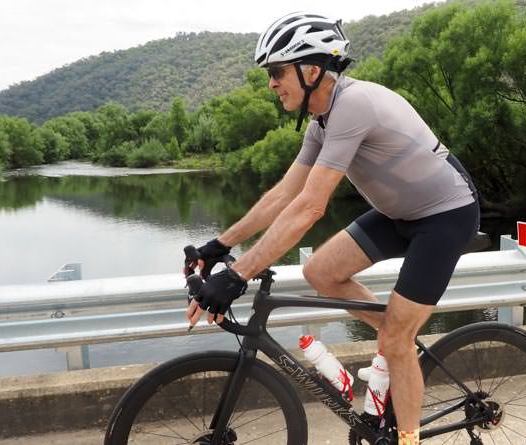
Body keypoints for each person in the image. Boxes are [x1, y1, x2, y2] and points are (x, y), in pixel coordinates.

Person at [186, 12, 480, 445]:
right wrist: (218, 245)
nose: (270, 82)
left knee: (397, 338)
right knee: (320, 272)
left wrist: (236, 275)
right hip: (399, 213)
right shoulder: (321, 121)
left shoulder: (354, 105)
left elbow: (309, 207)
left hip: (445, 214)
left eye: (277, 71)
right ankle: (399, 341)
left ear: (312, 69)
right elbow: (284, 195)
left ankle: (408, 433)